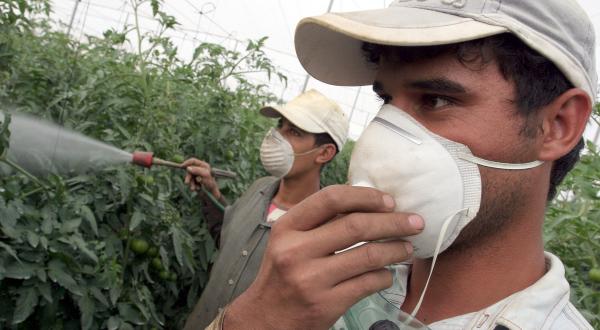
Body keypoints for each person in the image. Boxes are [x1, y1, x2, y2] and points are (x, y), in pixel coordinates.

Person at [206, 0, 597, 329]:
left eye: (435, 99)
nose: (382, 141)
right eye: (386, 100)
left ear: (556, 127)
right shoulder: (317, 286)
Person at [182, 89, 350, 329]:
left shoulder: (321, 232)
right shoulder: (258, 189)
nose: (276, 136)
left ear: (324, 153)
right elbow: (227, 237)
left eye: (294, 132)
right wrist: (210, 192)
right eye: (280, 126)